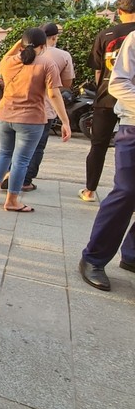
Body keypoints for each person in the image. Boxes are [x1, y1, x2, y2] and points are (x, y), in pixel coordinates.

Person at [0, 28, 71, 212]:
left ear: (21, 44)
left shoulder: (8, 62)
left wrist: (20, 43)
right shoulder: (47, 64)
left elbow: (8, 54)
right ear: (43, 46)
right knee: (21, 160)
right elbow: (54, 95)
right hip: (31, 119)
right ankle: (12, 200)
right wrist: (65, 121)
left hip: (4, 115)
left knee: (4, 153)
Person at [79, 31, 135, 290]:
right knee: (126, 191)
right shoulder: (132, 39)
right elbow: (117, 82)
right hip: (132, 123)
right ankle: (94, 257)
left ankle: (132, 254)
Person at [79, 0, 135, 202]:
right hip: (132, 98)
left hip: (106, 95)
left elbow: (98, 70)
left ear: (119, 12)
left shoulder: (106, 34)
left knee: (98, 144)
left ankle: (90, 190)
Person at [19, 22, 74, 191]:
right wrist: (65, 121)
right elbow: (63, 86)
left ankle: (9, 177)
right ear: (54, 38)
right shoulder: (62, 56)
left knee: (14, 147)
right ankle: (25, 180)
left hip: (17, 107)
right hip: (44, 110)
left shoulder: (17, 56)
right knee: (37, 147)